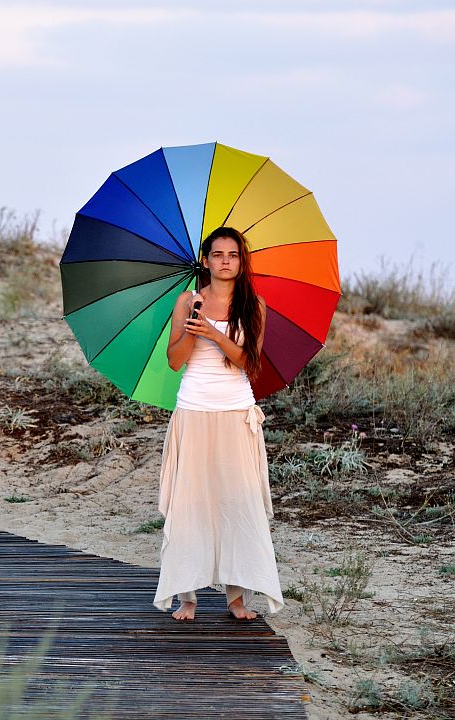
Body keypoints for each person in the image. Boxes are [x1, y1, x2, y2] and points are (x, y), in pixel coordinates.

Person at [153, 226, 283, 622]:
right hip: (193, 409)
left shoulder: (252, 305)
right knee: (190, 503)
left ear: (241, 262)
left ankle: (236, 597)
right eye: (218, 254)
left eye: (233, 255)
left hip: (235, 413)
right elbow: (176, 361)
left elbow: (249, 363)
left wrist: (212, 331)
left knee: (237, 502)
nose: (226, 261)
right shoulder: (187, 301)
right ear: (205, 261)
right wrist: (194, 328)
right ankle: (187, 596)